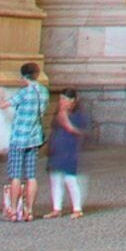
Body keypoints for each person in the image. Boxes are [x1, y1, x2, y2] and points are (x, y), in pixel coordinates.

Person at [0, 60, 49, 223]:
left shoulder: (24, 92)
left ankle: (14, 210)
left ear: (23, 76)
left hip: (19, 137)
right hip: (34, 138)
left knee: (15, 176)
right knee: (31, 176)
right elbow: (42, 112)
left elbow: (5, 105)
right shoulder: (44, 92)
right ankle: (30, 211)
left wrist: (0, 97)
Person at [43, 87, 90, 217]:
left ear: (72, 101)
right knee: (55, 179)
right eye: (61, 99)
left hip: (69, 150)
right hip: (57, 150)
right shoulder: (58, 113)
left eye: (64, 99)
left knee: (70, 179)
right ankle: (56, 208)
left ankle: (77, 209)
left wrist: (67, 122)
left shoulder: (78, 115)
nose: (62, 102)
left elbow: (81, 131)